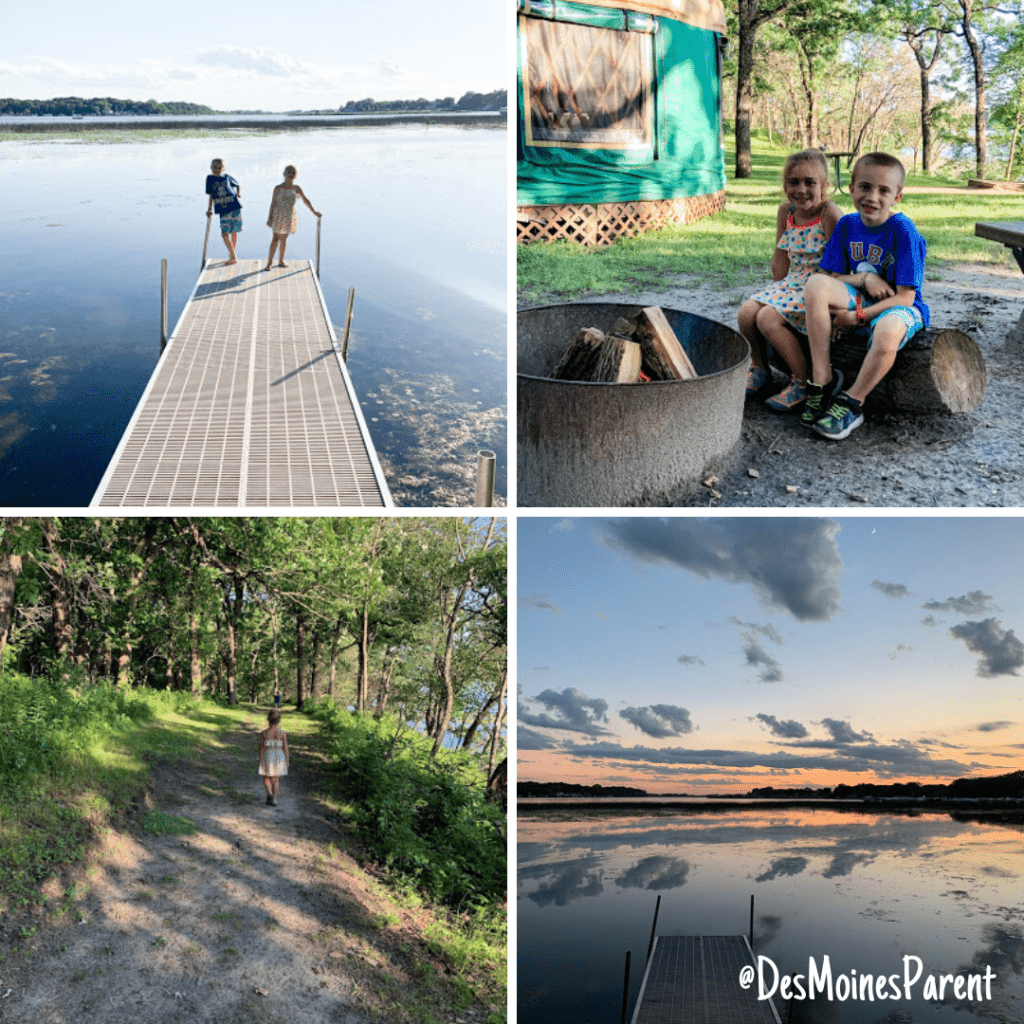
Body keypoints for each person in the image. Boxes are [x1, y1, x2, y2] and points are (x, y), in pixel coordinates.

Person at [801, 151, 929, 440]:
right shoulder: (847, 225)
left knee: (888, 329)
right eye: (865, 187)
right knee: (816, 284)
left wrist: (857, 317)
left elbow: (906, 298)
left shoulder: (903, 231)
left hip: (898, 306)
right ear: (851, 188)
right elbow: (831, 277)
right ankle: (823, 380)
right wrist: (865, 278)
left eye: (883, 190)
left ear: (897, 197)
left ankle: (853, 401)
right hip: (861, 296)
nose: (872, 197)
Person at [738, 149, 843, 412]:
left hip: (820, 286)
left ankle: (803, 382)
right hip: (794, 282)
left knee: (767, 318)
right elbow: (780, 256)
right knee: (747, 312)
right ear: (785, 185)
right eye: (793, 182)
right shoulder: (786, 211)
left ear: (824, 186)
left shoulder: (829, 214)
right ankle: (760, 369)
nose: (801, 189)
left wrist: (832, 307)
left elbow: (842, 264)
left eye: (810, 182)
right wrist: (775, 291)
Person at [265, 165, 321, 270]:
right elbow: (273, 203)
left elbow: (305, 200)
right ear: (284, 174)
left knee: (284, 239)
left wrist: (314, 212)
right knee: (275, 239)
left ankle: (281, 260)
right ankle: (269, 263)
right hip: (278, 214)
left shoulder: (296, 188)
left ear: (296, 175)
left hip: (289, 215)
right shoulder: (278, 188)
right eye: (289, 172)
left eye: (293, 173)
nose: (291, 174)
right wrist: (270, 217)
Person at [205, 158, 243, 265]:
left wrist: (238, 194)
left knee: (234, 232)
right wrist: (209, 209)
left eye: (219, 167)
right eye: (214, 167)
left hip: (234, 207)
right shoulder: (210, 179)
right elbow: (211, 195)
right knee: (224, 234)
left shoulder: (227, 177)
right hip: (223, 211)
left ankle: (232, 256)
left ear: (223, 168)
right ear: (211, 167)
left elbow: (237, 185)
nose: (217, 169)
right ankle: (233, 256)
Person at [257, 708, 289, 807]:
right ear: (279, 720)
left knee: (266, 777)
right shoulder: (282, 733)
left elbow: (261, 747)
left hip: (268, 756)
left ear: (268, 719)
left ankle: (269, 793)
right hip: (279, 758)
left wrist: (260, 758)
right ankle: (274, 800)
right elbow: (285, 748)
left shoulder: (264, 733)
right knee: (275, 779)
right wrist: (287, 761)